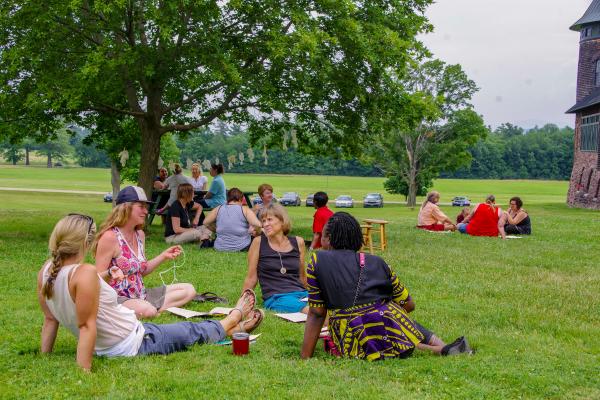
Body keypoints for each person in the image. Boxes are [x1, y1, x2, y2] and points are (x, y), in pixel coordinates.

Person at [38, 214, 263, 371]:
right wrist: (83, 372)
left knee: (182, 330)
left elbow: (50, 319)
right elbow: (86, 326)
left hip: (132, 332)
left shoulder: (47, 271)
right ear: (86, 243)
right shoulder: (84, 272)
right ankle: (233, 317)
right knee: (191, 331)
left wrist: (44, 356)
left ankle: (237, 330)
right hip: (135, 342)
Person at [301, 212, 472, 361]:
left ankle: (444, 349)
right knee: (388, 313)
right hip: (390, 330)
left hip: (353, 339)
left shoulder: (317, 260)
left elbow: (317, 313)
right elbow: (409, 305)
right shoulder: (377, 262)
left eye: (322, 235)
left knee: (376, 317)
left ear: (328, 239)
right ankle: (443, 347)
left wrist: (305, 357)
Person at [93, 186, 197, 318]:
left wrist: (164, 256)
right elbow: (95, 280)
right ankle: (151, 310)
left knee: (189, 290)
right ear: (126, 207)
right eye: (141, 206)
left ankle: (152, 309)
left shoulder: (139, 235)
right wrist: (109, 273)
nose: (146, 211)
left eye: (145, 207)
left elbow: (142, 270)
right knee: (148, 311)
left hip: (141, 295)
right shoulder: (110, 237)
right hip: (118, 299)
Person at [243, 203, 308, 313]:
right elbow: (251, 278)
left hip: (301, 294)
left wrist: (315, 295)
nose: (265, 224)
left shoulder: (298, 242)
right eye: (263, 221)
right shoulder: (258, 242)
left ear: (282, 221)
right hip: (276, 297)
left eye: (269, 220)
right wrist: (241, 303)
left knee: (327, 305)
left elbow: (302, 276)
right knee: (313, 312)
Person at [203, 187, 262, 252]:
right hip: (242, 246)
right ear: (241, 199)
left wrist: (216, 230)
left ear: (228, 198)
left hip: (220, 247)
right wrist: (254, 231)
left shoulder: (219, 208)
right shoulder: (245, 210)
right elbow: (258, 225)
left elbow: (205, 222)